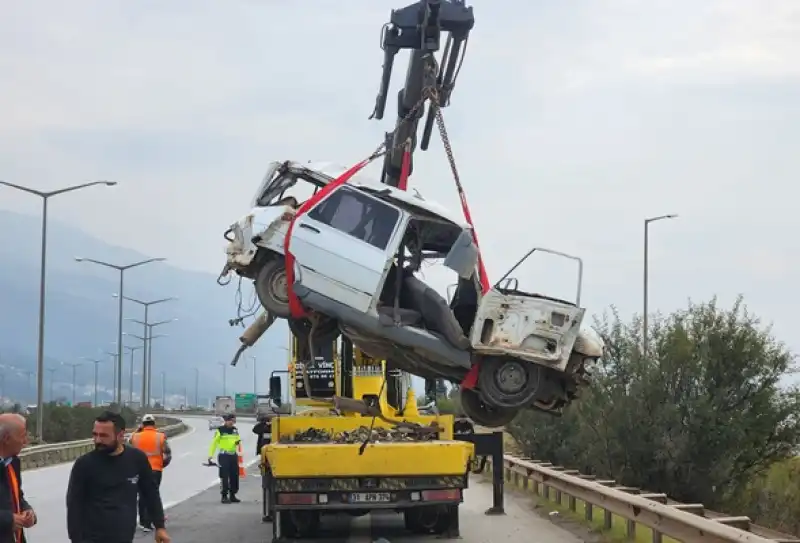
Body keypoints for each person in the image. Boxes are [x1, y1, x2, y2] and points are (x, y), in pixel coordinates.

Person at [66, 410, 171, 543]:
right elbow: (73, 505)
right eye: (95, 434)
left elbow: (151, 493)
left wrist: (160, 527)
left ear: (120, 435)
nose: (98, 440)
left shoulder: (137, 459)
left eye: (104, 436)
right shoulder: (84, 465)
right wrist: (75, 539)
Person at [129, 414, 172, 533]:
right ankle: (151, 521)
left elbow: (126, 447)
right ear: (154, 424)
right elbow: (168, 454)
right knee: (153, 495)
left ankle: (144, 522)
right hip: (155, 469)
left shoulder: (135, 436)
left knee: (142, 495)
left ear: (143, 424)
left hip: (139, 470)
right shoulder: (160, 436)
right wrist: (162, 464)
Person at [0, 414, 36, 543]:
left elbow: (17, 496)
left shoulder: (13, 462)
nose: (26, 442)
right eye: (22, 436)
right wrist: (8, 520)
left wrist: (27, 510)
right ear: (6, 438)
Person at [207, 413, 242, 504]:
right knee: (224, 476)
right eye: (230, 421)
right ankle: (224, 496)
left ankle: (233, 495)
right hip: (224, 456)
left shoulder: (235, 430)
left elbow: (237, 441)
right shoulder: (220, 430)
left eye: (233, 421)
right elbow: (214, 443)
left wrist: (237, 444)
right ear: (226, 421)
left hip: (233, 455)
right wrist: (210, 455)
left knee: (234, 476)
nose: (232, 422)